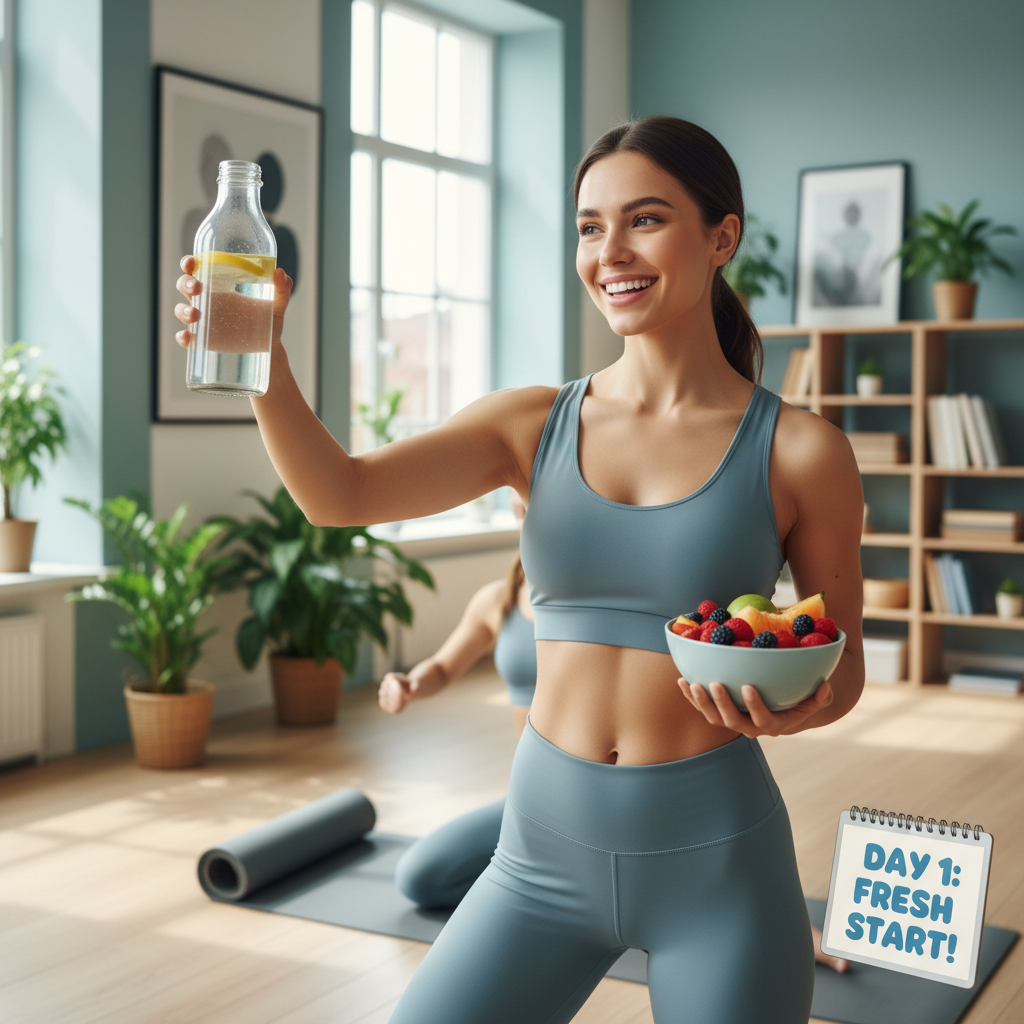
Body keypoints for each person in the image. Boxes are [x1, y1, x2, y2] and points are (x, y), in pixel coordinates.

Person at [176, 116, 864, 1023]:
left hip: (719, 866)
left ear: (722, 235)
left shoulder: (802, 451)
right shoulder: (529, 425)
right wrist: (264, 364)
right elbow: (338, 493)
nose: (609, 251)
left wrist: (800, 706)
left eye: (645, 219)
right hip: (542, 858)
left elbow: (840, 665)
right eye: (589, 226)